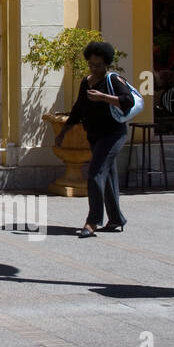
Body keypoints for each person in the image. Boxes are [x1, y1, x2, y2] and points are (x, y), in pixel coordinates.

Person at [57, 40, 135, 238]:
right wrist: (63, 132)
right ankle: (116, 219)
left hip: (113, 135)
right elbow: (78, 109)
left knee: (95, 173)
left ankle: (92, 221)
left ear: (106, 63)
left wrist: (103, 97)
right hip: (95, 136)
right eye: (91, 64)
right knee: (107, 177)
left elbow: (128, 101)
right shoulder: (86, 82)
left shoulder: (114, 80)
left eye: (98, 65)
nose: (94, 67)